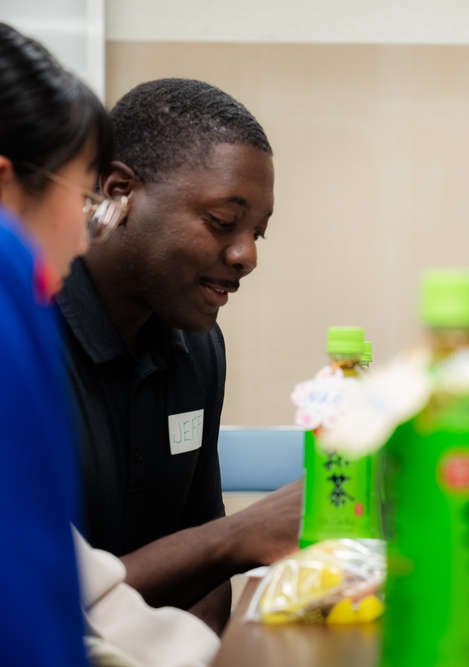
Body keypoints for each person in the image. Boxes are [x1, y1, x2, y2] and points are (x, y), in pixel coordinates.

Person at [0, 22, 219, 667]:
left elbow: (72, 583)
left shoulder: (198, 346)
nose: (86, 233)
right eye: (82, 197)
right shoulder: (22, 308)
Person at [56, 77, 302, 632]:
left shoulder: (199, 346)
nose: (245, 256)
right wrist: (241, 535)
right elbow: (38, 603)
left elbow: (204, 553)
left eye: (258, 233)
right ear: (119, 192)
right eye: (222, 222)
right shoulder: (28, 342)